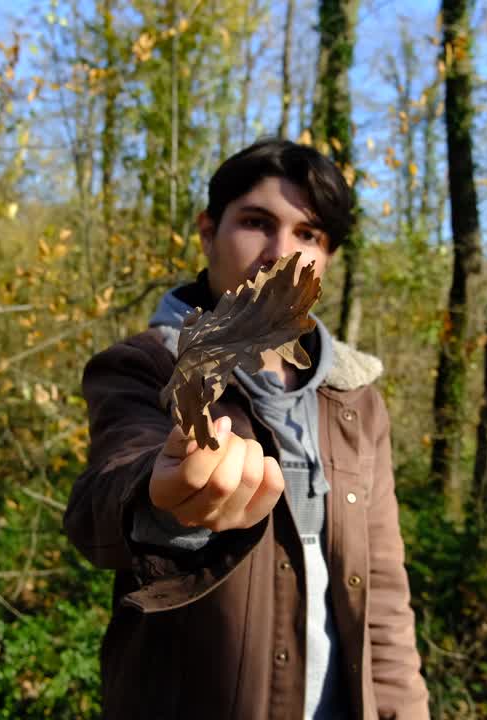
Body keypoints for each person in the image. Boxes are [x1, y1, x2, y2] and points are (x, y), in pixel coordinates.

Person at [64, 139, 429, 719]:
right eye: (257, 223)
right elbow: (106, 490)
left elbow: (382, 589)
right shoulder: (147, 367)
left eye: (308, 235)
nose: (280, 253)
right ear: (209, 232)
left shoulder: (356, 400)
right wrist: (163, 497)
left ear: (326, 260)